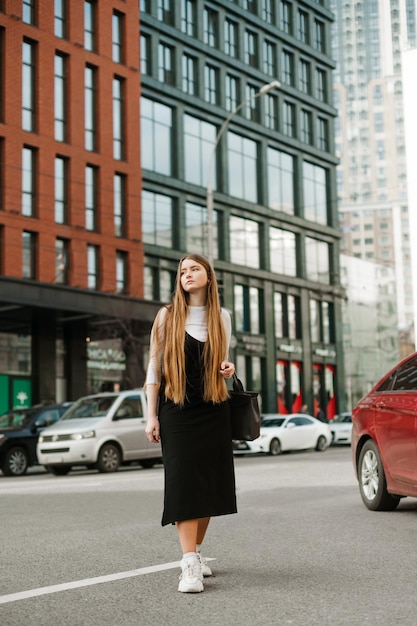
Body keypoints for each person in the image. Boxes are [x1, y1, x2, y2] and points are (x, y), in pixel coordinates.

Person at [145, 254, 237, 594]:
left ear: (208, 277)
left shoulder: (222, 317)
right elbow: (154, 370)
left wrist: (229, 369)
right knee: (184, 483)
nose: (187, 275)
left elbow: (223, 361)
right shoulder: (167, 316)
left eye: (194, 269)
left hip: (213, 408)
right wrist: (151, 415)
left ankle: (195, 554)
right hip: (177, 410)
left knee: (209, 484)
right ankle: (188, 565)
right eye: (182, 271)